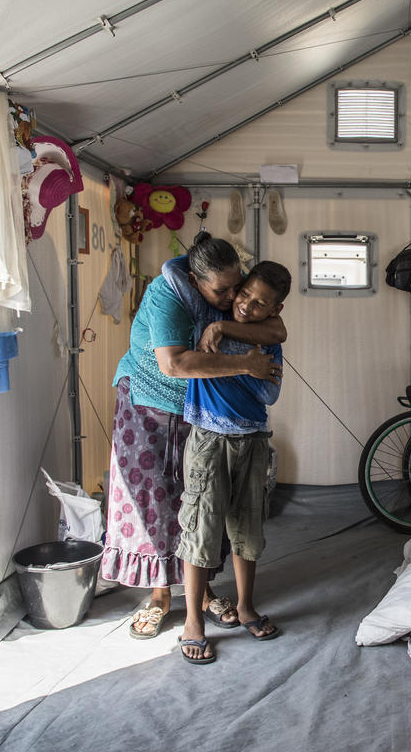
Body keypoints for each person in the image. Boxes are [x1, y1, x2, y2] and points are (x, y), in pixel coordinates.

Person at [102, 233, 285, 641]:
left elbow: (277, 328)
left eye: (237, 286)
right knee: (155, 498)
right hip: (149, 403)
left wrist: (222, 322)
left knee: (198, 503)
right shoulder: (168, 295)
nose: (233, 296)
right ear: (195, 279)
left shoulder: (224, 299)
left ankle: (201, 596)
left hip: (197, 412)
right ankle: (159, 596)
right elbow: (175, 364)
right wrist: (244, 365)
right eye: (223, 291)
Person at [176, 262, 291, 664]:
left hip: (253, 439)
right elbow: (175, 271)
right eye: (244, 294)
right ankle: (193, 622)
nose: (246, 306)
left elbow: (270, 394)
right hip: (208, 439)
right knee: (201, 529)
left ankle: (245, 607)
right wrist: (245, 365)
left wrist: (234, 368)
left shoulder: (267, 337)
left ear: (275, 309)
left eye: (261, 304)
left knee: (247, 528)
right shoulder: (210, 316)